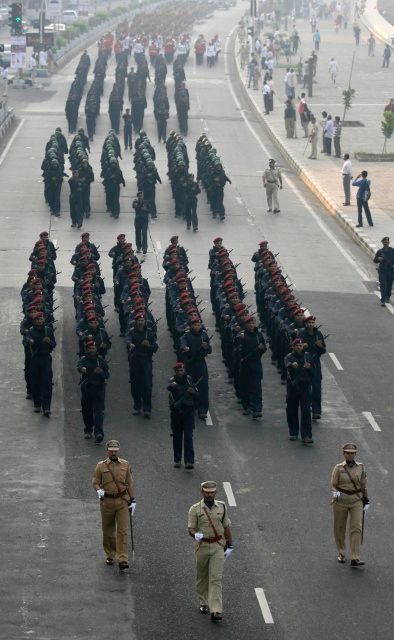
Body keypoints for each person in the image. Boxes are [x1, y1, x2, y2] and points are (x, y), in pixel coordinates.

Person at [187, 481, 233, 621]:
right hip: (202, 546)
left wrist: (230, 544)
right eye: (206, 492)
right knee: (202, 576)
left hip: (217, 545)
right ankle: (203, 601)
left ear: (215, 493)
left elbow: (226, 526)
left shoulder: (222, 507)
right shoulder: (195, 509)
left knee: (216, 577)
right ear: (202, 493)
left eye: (212, 492)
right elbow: (190, 528)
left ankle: (216, 610)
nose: (209, 494)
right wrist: (195, 535)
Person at [92, 440, 136, 571]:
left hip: (122, 501)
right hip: (107, 502)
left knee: (122, 531)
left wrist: (133, 500)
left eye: (115, 451)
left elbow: (129, 483)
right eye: (111, 450)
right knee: (108, 530)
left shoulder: (126, 465)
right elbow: (95, 481)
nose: (113, 453)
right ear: (107, 451)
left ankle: (123, 559)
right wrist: (98, 489)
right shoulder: (101, 466)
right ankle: (110, 554)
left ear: (118, 451)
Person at [331, 443, 369, 566]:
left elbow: (363, 484)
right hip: (341, 501)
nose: (350, 455)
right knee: (339, 528)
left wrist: (366, 499)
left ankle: (355, 557)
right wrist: (335, 494)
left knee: (356, 527)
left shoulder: (361, 467)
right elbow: (333, 483)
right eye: (347, 453)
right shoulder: (338, 468)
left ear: (355, 454)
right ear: (344, 454)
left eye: (352, 453)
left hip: (356, 500)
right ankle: (341, 552)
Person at [167, 362, 199, 469]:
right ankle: (177, 459)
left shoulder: (189, 380)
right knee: (177, 436)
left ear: (184, 370)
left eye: (181, 370)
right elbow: (169, 389)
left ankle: (189, 461)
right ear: (175, 372)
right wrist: (172, 386)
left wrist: (192, 392)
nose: (180, 373)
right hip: (176, 413)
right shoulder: (173, 381)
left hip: (188, 413)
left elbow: (197, 395)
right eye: (177, 371)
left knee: (188, 437)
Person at [126, 314, 158, 417]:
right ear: (135, 321)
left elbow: (155, 348)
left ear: (145, 321)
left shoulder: (149, 333)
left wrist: (149, 345)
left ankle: (147, 408)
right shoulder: (131, 331)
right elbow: (128, 339)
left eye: (142, 320)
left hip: (146, 360)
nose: (140, 322)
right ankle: (137, 406)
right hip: (135, 360)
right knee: (135, 384)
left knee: (147, 385)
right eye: (138, 320)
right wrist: (130, 344)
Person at [25, 311, 56, 417]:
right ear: (34, 321)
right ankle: (37, 404)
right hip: (35, 359)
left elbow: (53, 344)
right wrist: (30, 341)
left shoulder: (48, 330)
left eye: (41, 319)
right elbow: (27, 338)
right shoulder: (31, 331)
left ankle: (46, 407)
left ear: (43, 320)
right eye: (37, 319)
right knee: (35, 382)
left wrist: (49, 342)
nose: (39, 321)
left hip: (46, 358)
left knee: (47, 383)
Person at [77, 340, 109, 443]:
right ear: (86, 350)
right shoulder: (83, 360)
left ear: (96, 349)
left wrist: (101, 372)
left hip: (99, 388)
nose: (92, 350)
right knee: (87, 410)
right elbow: (79, 367)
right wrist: (83, 369)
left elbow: (107, 375)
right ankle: (88, 429)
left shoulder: (101, 361)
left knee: (98, 411)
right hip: (87, 388)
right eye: (90, 348)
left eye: (93, 348)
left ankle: (98, 433)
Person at [284, 337, 313, 444]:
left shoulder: (307, 357)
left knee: (305, 410)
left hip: (305, 386)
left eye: (300, 346)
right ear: (293, 347)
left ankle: (306, 435)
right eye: (297, 346)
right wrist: (292, 365)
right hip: (293, 387)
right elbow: (286, 364)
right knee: (292, 409)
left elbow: (313, 373)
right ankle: (293, 432)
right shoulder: (289, 357)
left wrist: (309, 367)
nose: (299, 347)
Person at [299, 316, 326, 419]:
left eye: (312, 322)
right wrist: (306, 346)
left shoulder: (318, 335)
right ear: (306, 324)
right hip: (305, 362)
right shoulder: (301, 334)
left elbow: (323, 350)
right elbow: (297, 349)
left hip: (315, 363)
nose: (311, 324)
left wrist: (320, 346)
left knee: (317, 388)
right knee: (306, 387)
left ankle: (316, 411)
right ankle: (306, 407)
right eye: (309, 322)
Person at [373, 236, 394, 306]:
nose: (386, 244)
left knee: (389, 285)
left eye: (387, 242)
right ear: (382, 243)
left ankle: (387, 297)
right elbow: (375, 260)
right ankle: (383, 300)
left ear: (389, 243)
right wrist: (378, 259)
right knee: (383, 285)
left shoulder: (392, 251)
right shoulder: (380, 251)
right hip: (382, 271)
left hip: (390, 271)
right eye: (384, 243)